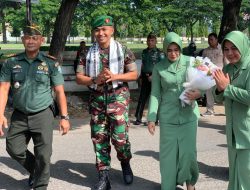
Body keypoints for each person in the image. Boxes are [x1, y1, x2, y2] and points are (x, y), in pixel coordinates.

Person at [0, 23, 70, 190]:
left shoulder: (51, 64)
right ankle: (37, 171)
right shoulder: (11, 62)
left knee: (44, 155)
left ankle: (40, 185)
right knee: (13, 148)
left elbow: (60, 92)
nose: (30, 41)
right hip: (19, 114)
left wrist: (64, 117)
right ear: (22, 39)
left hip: (43, 114)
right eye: (27, 37)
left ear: (41, 40)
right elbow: (3, 89)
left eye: (34, 37)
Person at [76, 15, 137, 190]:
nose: (100, 33)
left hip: (118, 98)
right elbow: (80, 78)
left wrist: (114, 76)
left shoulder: (123, 49)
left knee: (120, 138)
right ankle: (104, 177)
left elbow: (134, 74)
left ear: (112, 31)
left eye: (104, 29)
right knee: (99, 138)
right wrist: (96, 79)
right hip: (97, 100)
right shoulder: (86, 52)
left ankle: (125, 162)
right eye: (97, 29)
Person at [147, 32, 201, 190]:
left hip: (189, 116)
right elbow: (155, 94)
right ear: (164, 50)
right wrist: (152, 118)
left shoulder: (192, 62)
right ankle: (168, 186)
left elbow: (205, 81)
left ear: (180, 49)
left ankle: (191, 185)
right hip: (168, 117)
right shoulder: (159, 68)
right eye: (169, 50)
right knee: (168, 157)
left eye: (176, 49)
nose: (173, 53)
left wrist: (199, 94)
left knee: (188, 154)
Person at [213, 31, 250, 190]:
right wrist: (220, 90)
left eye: (234, 48)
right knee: (235, 176)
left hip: (247, 134)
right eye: (226, 49)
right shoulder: (228, 68)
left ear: (243, 46)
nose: (230, 53)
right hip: (233, 133)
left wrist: (227, 88)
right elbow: (218, 98)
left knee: (246, 177)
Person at [134, 32, 163, 125]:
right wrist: (140, 76)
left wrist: (154, 76)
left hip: (155, 78)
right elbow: (143, 64)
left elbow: (162, 66)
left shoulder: (159, 53)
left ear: (156, 42)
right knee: (142, 98)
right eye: (149, 40)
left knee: (154, 99)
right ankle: (138, 118)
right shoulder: (144, 52)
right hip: (145, 77)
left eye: (152, 40)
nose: (150, 42)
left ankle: (154, 119)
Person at [201, 32, 224, 116]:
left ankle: (228, 110)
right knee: (208, 91)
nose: (209, 41)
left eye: (211, 39)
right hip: (209, 74)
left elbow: (226, 61)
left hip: (220, 73)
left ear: (216, 40)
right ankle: (210, 110)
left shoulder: (222, 49)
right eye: (208, 40)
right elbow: (203, 63)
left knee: (223, 91)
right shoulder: (206, 51)